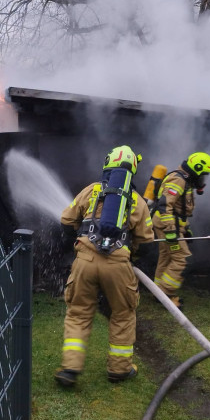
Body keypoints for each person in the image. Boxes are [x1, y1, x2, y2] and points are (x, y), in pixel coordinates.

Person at [54, 145, 155, 387]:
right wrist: (134, 255)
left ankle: (70, 369)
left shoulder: (92, 190)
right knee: (122, 314)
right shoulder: (137, 201)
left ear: (107, 165)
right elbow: (146, 239)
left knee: (78, 313)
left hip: (85, 260)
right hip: (119, 265)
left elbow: (66, 219)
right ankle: (119, 369)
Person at [151, 152, 210, 309]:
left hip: (170, 225)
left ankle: (158, 292)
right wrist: (171, 231)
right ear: (197, 169)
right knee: (181, 258)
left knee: (166, 257)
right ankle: (165, 294)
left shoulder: (185, 180)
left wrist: (185, 229)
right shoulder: (178, 180)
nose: (204, 179)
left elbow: (179, 210)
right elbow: (164, 206)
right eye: (203, 175)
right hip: (167, 226)